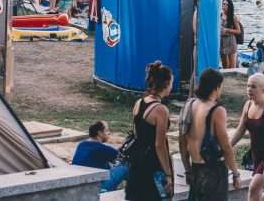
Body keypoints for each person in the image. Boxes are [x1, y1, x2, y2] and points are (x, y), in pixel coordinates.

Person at [179, 69, 240, 200]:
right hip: (213, 172)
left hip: (195, 168)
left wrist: (187, 169)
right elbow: (226, 146)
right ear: (217, 87)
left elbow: (182, 142)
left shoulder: (189, 105)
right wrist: (235, 173)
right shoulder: (217, 110)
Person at [125, 62, 174, 201]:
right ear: (166, 83)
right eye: (172, 82)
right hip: (152, 165)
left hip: (137, 162)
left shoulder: (139, 103)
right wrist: (168, 173)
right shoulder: (161, 110)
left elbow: (136, 132)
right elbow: (159, 145)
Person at [231, 74, 264, 201]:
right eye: (247, 86)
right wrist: (227, 146)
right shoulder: (248, 105)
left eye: (253, 87)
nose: (249, 89)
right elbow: (240, 129)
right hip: (256, 155)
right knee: (260, 193)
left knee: (253, 187)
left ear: (263, 89)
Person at [71, 121, 128, 192]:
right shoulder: (102, 148)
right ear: (100, 133)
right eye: (107, 130)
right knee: (126, 165)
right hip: (98, 189)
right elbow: (122, 156)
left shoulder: (81, 144)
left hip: (80, 186)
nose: (109, 133)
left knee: (111, 164)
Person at [220, 0, 241, 69]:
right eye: (223, 4)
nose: (224, 6)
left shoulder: (233, 17)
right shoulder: (219, 15)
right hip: (222, 41)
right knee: (224, 65)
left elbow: (238, 31)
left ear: (230, 7)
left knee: (231, 66)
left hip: (230, 41)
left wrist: (227, 30)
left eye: (226, 4)